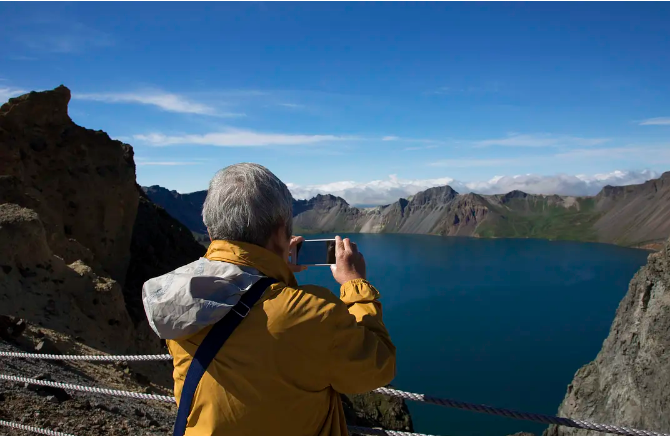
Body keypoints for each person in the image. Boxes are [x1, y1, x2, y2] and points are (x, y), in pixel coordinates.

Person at [142, 163, 396, 436]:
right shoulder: (311, 313)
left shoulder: (180, 294)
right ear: (279, 233)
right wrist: (355, 283)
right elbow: (378, 366)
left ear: (210, 227)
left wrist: (272, 270)